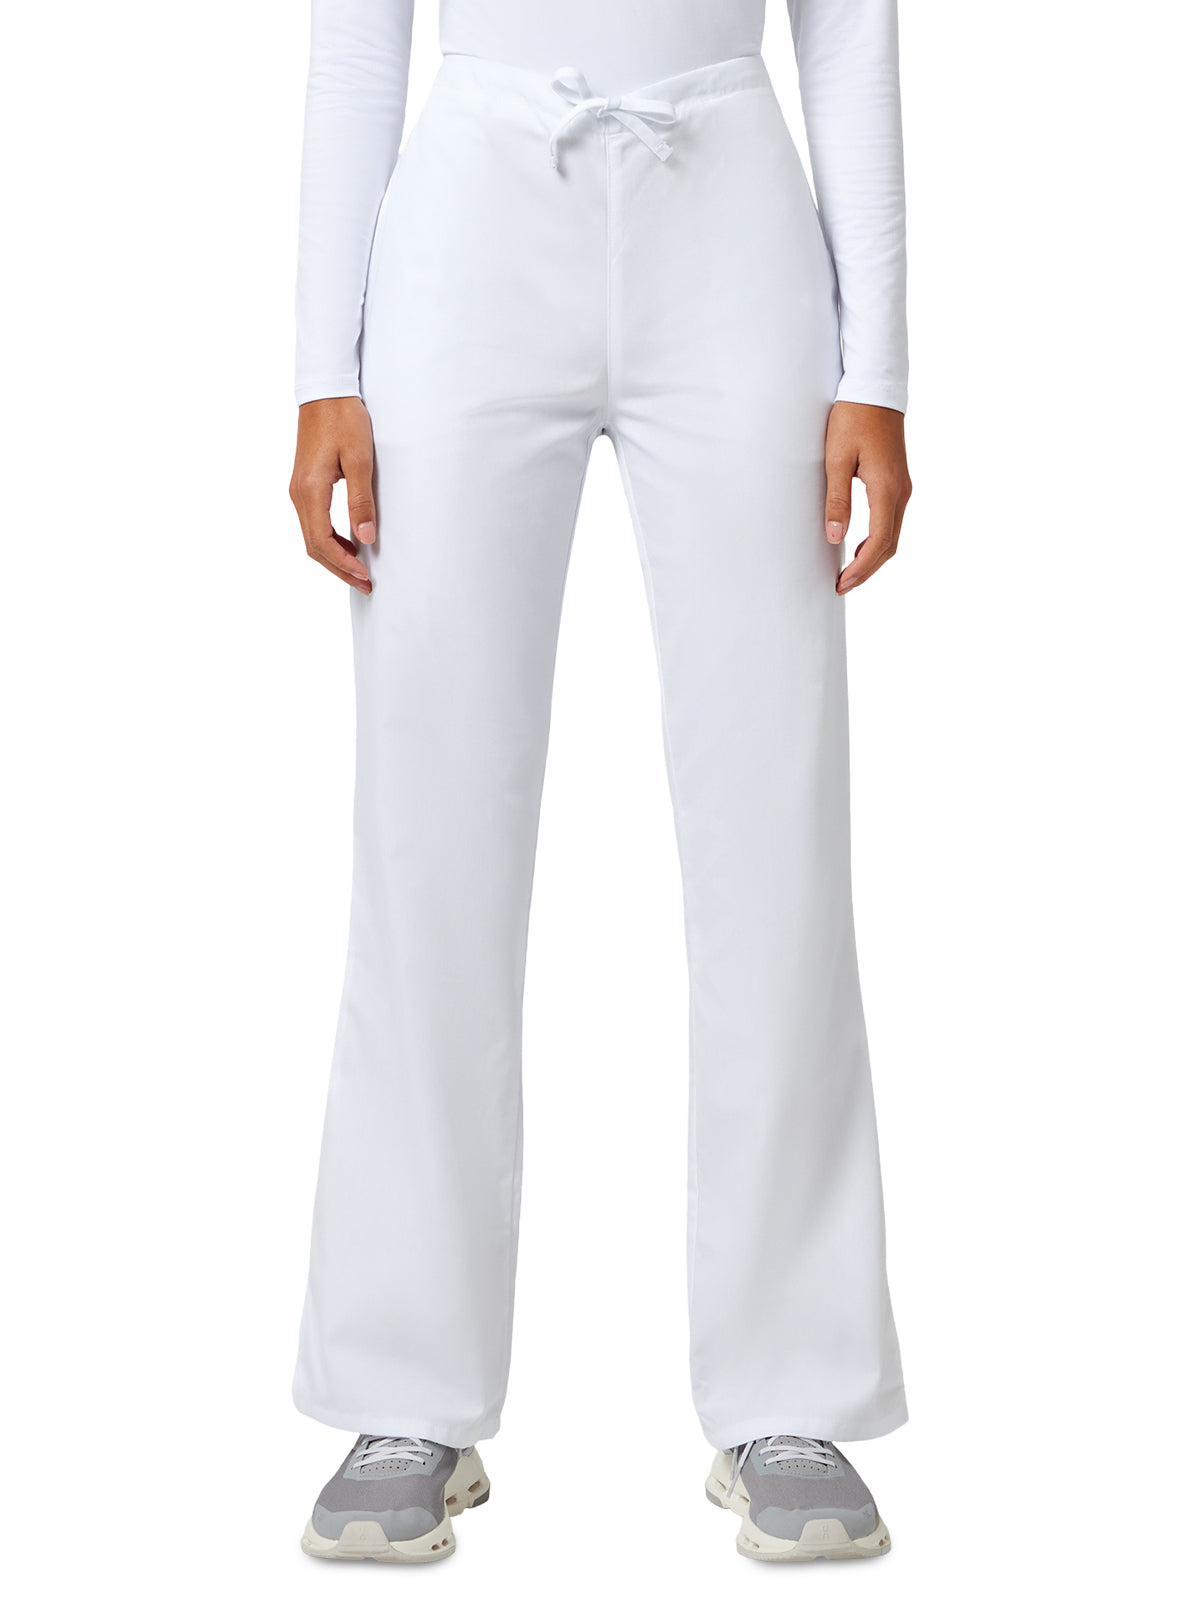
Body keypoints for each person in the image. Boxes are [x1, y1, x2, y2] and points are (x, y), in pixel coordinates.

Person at [288, 0, 912, 1566]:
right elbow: (358, 40)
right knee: (430, 828)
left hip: (733, 232)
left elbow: (849, 32)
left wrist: (881, 372)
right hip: (470, 230)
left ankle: (792, 1387)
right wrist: (320, 368)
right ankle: (405, 1388)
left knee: (774, 817)